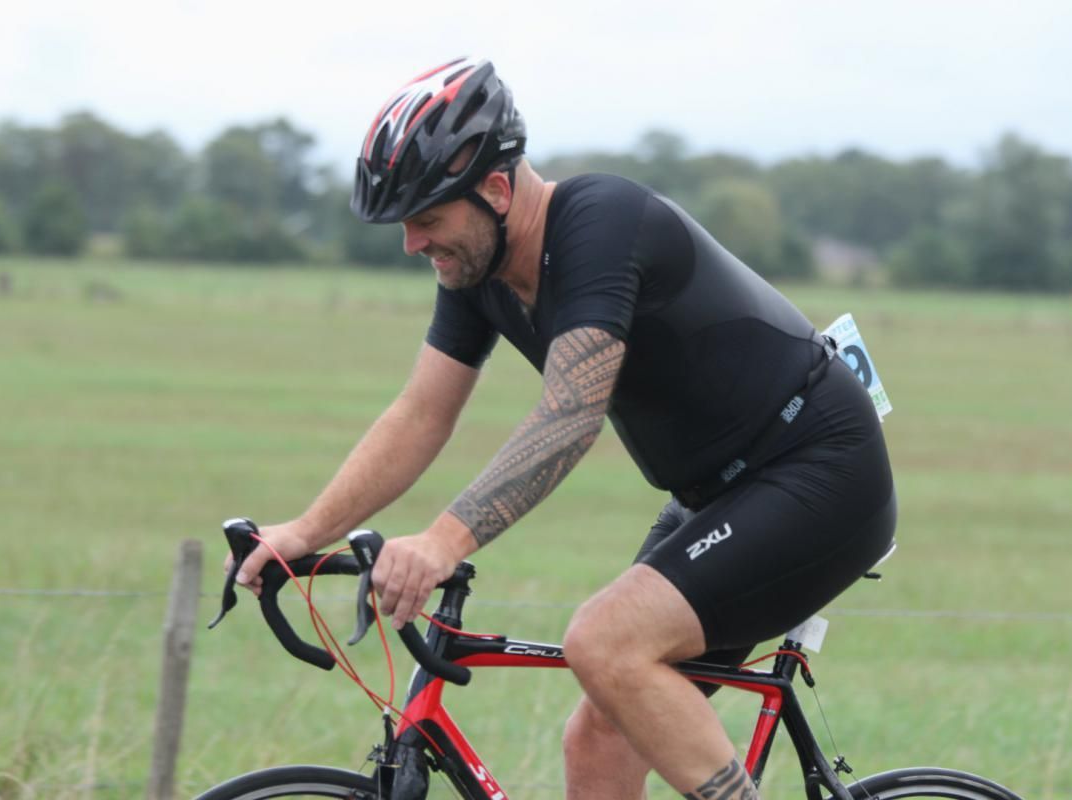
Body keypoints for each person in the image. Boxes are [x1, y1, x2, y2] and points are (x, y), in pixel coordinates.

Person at [230, 56, 897, 800]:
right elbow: (421, 414)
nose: (413, 243)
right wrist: (304, 531)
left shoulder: (601, 222)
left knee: (604, 642)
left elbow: (572, 412)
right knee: (600, 736)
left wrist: (443, 543)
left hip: (818, 466)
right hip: (715, 494)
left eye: (428, 219)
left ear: (495, 190)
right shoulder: (475, 270)